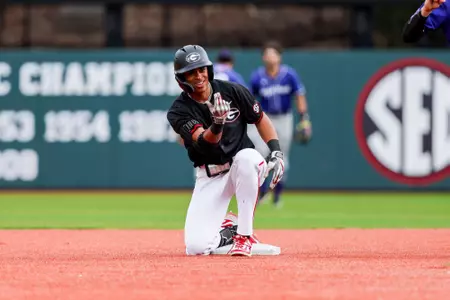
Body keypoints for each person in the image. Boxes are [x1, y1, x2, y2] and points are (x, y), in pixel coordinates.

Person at [166, 45, 285, 257]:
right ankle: (230, 230)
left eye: (201, 69)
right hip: (209, 175)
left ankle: (244, 236)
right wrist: (218, 124)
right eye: (191, 73)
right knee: (196, 247)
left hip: (242, 166)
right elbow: (205, 141)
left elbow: (260, 118)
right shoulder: (178, 111)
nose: (199, 75)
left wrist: (276, 150)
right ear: (181, 79)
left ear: (209, 70)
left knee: (248, 158)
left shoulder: (232, 91)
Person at [247, 41, 312, 208]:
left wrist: (304, 118)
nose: (270, 56)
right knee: (260, 155)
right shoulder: (257, 76)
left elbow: (299, 95)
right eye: (267, 53)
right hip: (264, 118)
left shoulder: (289, 74)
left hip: (284, 118)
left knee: (281, 157)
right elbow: (249, 100)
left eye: (273, 53)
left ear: (279, 56)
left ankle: (276, 195)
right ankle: (261, 193)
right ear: (263, 57)